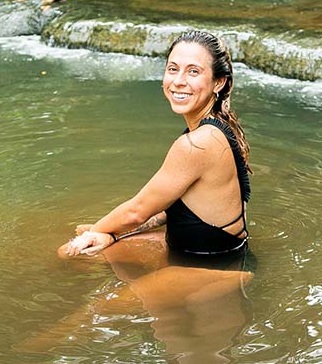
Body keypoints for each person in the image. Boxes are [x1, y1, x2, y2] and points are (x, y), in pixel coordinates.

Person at [60, 29, 252, 259]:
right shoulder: (216, 127)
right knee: (93, 238)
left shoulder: (196, 144)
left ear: (218, 82)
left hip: (214, 263)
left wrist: (96, 232)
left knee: (68, 253)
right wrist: (111, 234)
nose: (179, 81)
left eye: (193, 71)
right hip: (214, 249)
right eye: (173, 69)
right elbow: (163, 212)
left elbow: (136, 212)